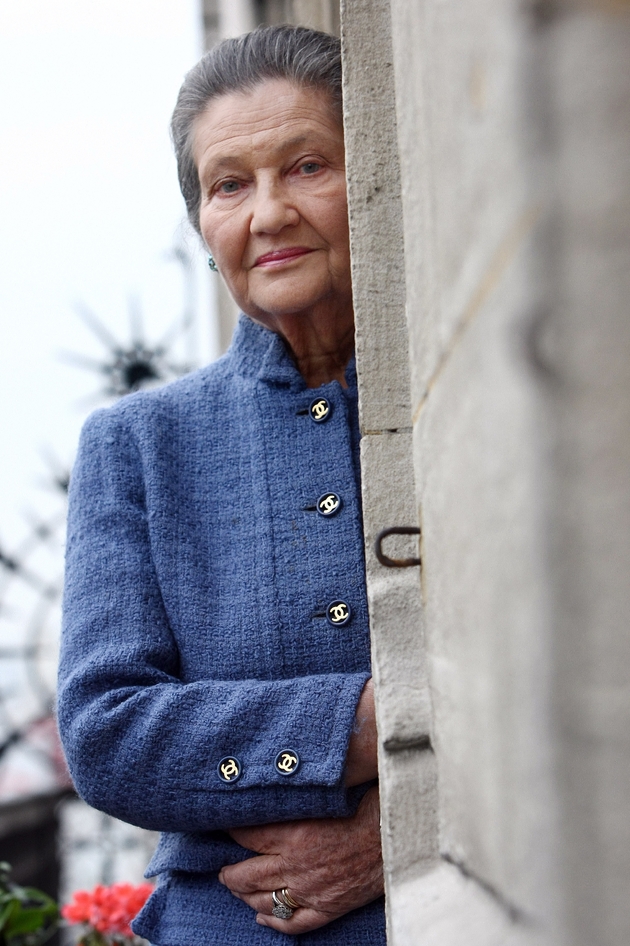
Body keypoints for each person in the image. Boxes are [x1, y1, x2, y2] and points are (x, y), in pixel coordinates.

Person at [57, 25, 386, 945]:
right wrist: (374, 718)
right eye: (230, 185)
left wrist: (395, 827)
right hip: (227, 920)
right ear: (204, 226)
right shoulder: (138, 443)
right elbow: (109, 733)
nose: (269, 213)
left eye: (307, 165)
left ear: (374, 180)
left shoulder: (471, 407)